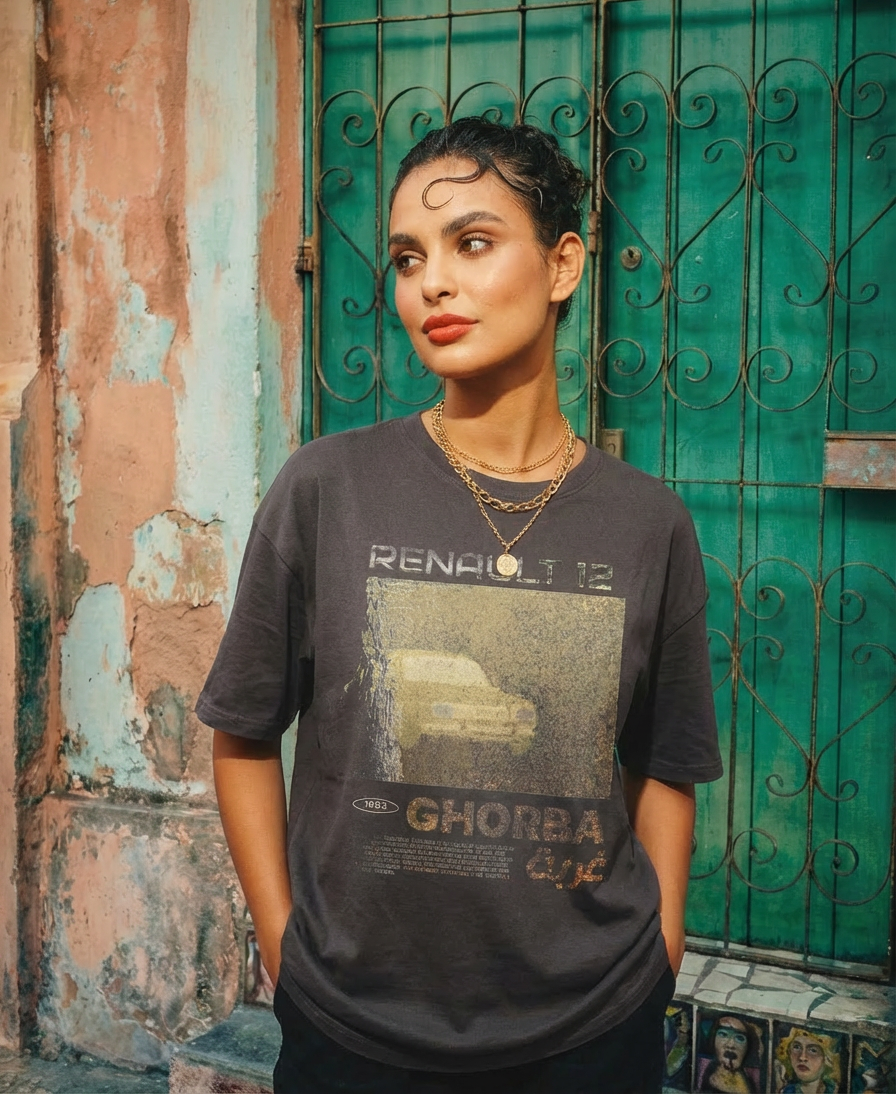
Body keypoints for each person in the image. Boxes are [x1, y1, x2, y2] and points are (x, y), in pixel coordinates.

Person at [196, 117, 723, 1093]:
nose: (430, 283)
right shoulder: (326, 489)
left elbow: (666, 762)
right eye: (408, 258)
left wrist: (659, 950)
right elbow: (241, 731)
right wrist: (283, 947)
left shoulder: (647, 523)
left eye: (470, 243)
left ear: (562, 264)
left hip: (590, 1028)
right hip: (354, 1028)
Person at [697, 1015, 761, 1093]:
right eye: (723, 1034)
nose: (730, 1045)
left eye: (739, 1038)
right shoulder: (700, 1066)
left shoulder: (756, 1075)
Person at [775, 1027, 841, 1094]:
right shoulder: (787, 1091)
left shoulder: (834, 1090)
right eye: (797, 1047)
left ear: (827, 1059)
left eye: (813, 1050)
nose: (802, 1057)